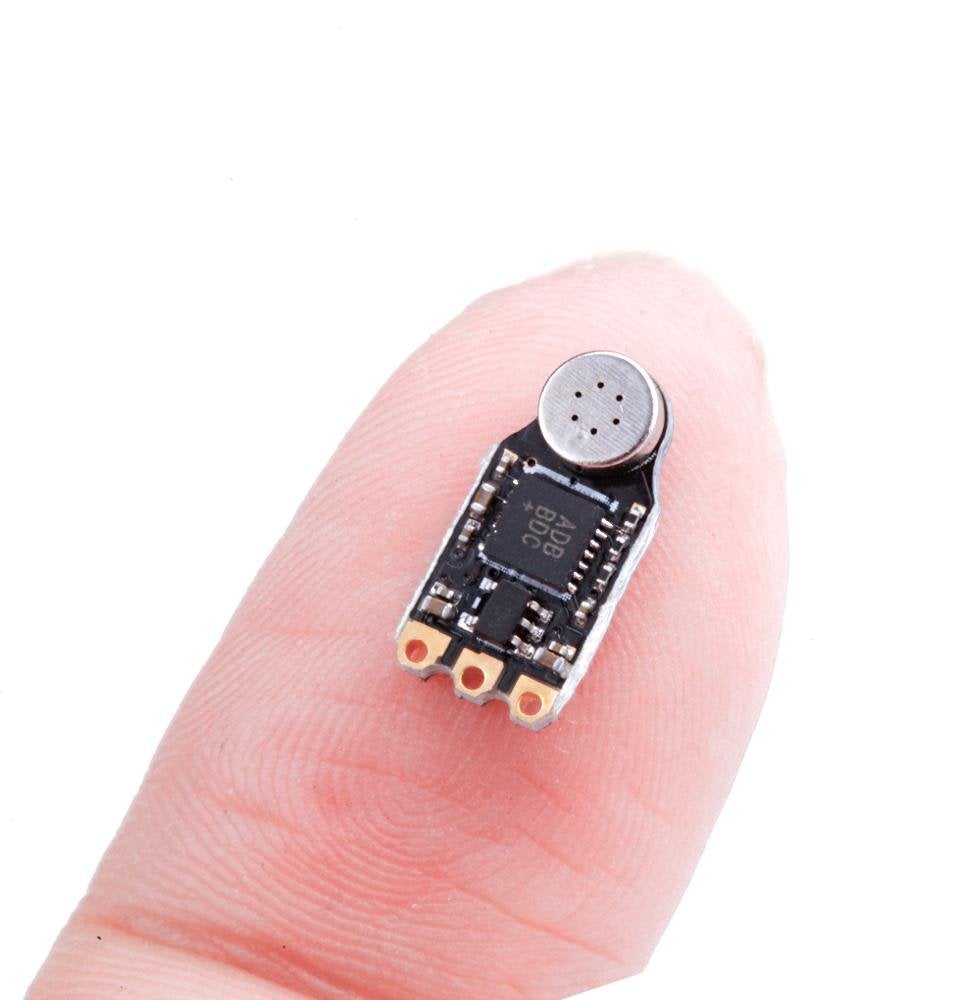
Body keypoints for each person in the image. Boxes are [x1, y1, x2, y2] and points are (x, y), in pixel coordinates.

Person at [29, 255, 788, 999]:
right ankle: (466, 657)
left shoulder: (601, 494)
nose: (597, 410)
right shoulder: (527, 462)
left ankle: (492, 667)